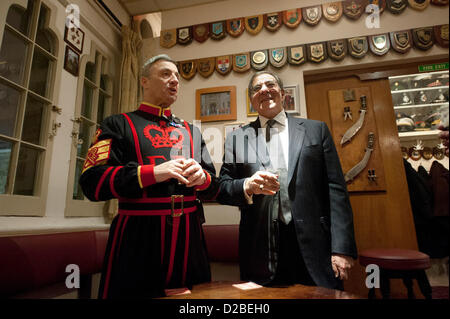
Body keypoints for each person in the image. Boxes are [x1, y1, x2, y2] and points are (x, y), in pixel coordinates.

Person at [79, 54, 218, 298]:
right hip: (137, 238)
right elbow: (92, 182)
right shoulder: (117, 124)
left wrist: (202, 178)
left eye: (177, 76)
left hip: (190, 237)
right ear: (144, 81)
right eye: (165, 74)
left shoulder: (191, 130)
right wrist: (151, 173)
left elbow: (214, 185)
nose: (174, 80)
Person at [217, 71, 357, 290]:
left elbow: (336, 190)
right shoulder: (237, 138)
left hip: (316, 248)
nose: (263, 90)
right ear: (252, 100)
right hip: (260, 250)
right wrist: (247, 186)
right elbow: (223, 188)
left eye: (270, 84)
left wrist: (342, 248)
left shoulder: (316, 130)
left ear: (282, 94)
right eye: (257, 88)